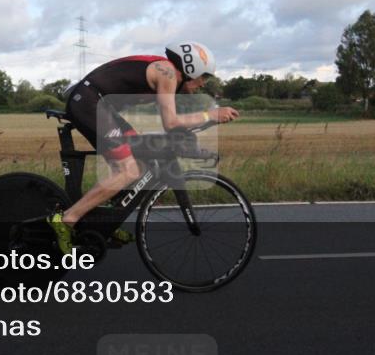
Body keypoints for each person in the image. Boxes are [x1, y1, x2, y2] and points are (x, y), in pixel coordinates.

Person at [47, 41, 239, 254]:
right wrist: (210, 115)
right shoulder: (167, 73)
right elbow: (172, 122)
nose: (203, 84)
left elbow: (173, 129)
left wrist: (197, 147)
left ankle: (102, 222)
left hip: (102, 106)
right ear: (190, 68)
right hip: (89, 103)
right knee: (128, 170)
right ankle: (66, 220)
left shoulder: (168, 76)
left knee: (139, 158)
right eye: (204, 77)